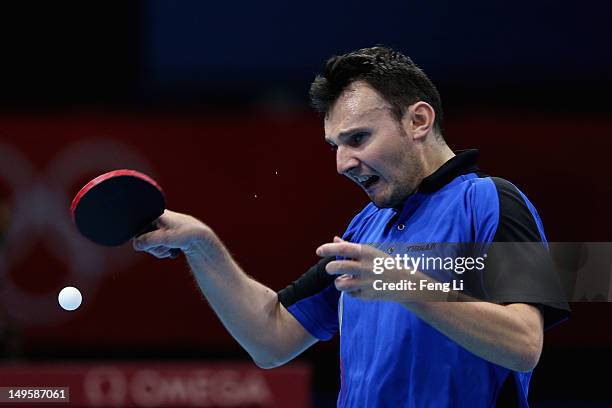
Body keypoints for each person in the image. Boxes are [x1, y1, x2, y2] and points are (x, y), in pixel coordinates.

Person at [134, 46, 569, 407]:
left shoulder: (493, 201)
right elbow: (270, 339)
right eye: (335, 146)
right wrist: (201, 246)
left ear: (419, 121)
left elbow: (524, 345)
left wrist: (400, 282)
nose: (342, 164)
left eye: (358, 139)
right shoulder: (365, 229)